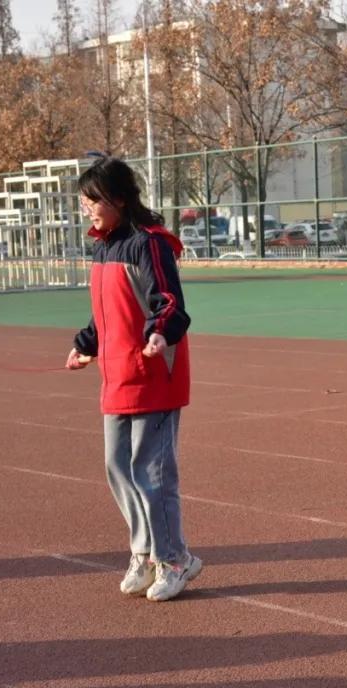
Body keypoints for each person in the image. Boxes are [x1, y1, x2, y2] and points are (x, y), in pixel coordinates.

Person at [66, 156, 202, 602]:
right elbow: (106, 311)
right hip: (117, 374)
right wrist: (86, 343)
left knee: (152, 472)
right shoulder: (104, 246)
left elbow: (169, 301)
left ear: (119, 199)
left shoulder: (150, 243)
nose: (87, 207)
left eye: (93, 199)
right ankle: (144, 553)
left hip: (152, 372)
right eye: (84, 200)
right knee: (117, 468)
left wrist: (160, 333)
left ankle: (176, 559)